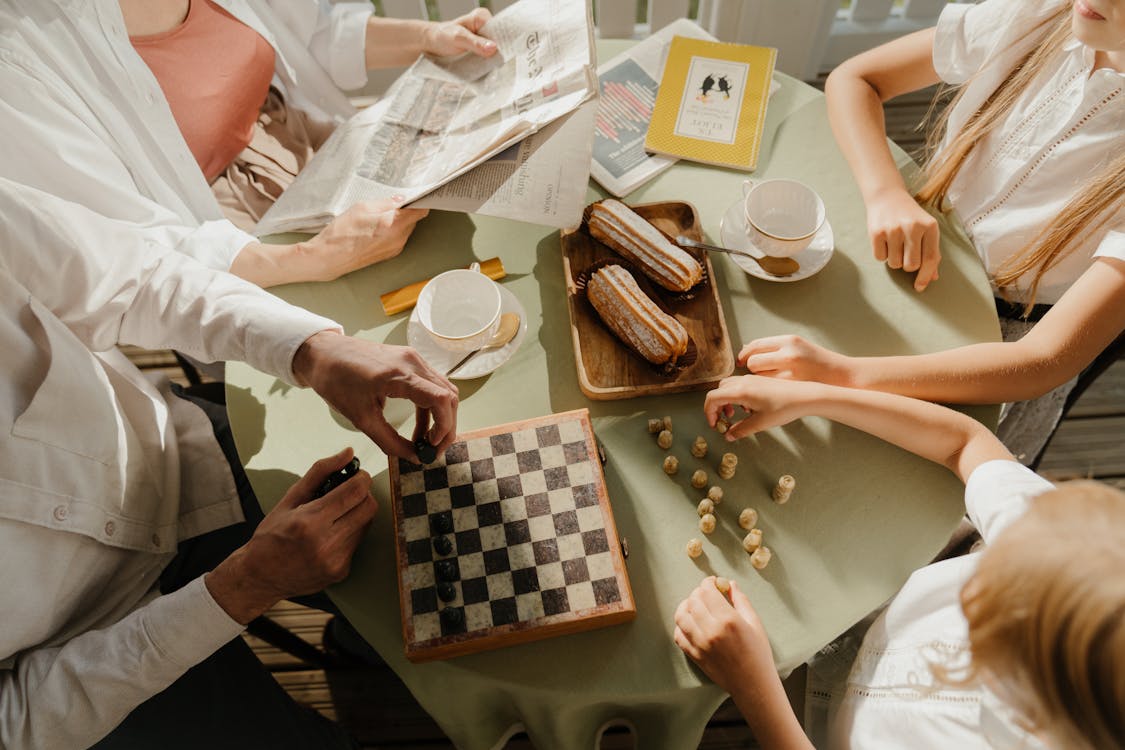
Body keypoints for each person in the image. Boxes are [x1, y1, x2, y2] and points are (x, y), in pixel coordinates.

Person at [0, 176, 459, 749]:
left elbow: (129, 276)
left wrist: (310, 349)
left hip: (173, 461)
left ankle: (362, 645)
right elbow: (16, 725)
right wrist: (247, 585)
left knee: (440, 538)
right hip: (75, 682)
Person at [736, 0, 1124, 463]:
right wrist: (885, 193)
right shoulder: (1039, 15)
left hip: (999, 353)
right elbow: (855, 80)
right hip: (913, 261)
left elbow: (1045, 359)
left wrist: (842, 376)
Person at [673, 374, 1125, 749]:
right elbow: (965, 443)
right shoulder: (1079, 555)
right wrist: (814, 395)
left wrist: (754, 687)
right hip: (869, 617)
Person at [0, 0, 498, 287]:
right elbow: (128, 252)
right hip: (231, 240)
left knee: (467, 255)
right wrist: (317, 257)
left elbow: (320, 33)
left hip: (312, 138)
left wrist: (431, 35)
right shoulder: (20, 55)